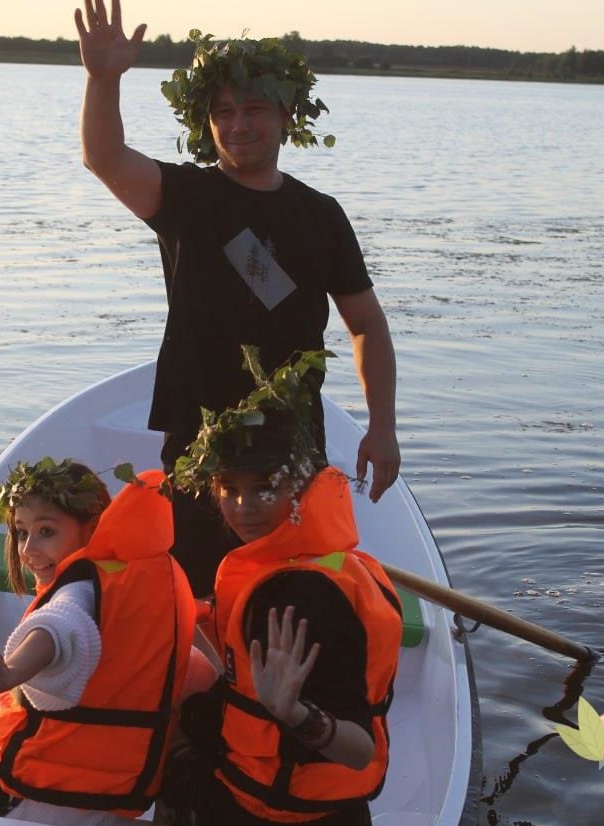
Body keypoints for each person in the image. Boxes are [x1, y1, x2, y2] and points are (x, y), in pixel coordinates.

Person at [74, 0, 401, 596]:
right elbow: (105, 157)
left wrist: (382, 427)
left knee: (290, 590)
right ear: (207, 124)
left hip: (292, 438)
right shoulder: (185, 197)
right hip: (199, 439)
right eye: (223, 112)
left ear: (286, 114)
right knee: (198, 592)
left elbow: (366, 325)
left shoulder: (321, 215)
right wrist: (103, 79)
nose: (238, 125)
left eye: (254, 109)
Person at [172, 349, 404, 826]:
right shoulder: (321, 564)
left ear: (300, 489)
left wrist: (295, 713)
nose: (242, 507)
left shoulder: (298, 601)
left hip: (270, 824)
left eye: (264, 488)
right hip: (335, 820)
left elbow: (359, 751)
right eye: (228, 488)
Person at [0, 457, 197, 826]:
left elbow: (57, 628)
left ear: (93, 528)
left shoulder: (77, 592)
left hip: (41, 803)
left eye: (46, 531)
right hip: (113, 789)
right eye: (22, 532)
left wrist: (9, 673)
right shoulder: (143, 571)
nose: (28, 550)